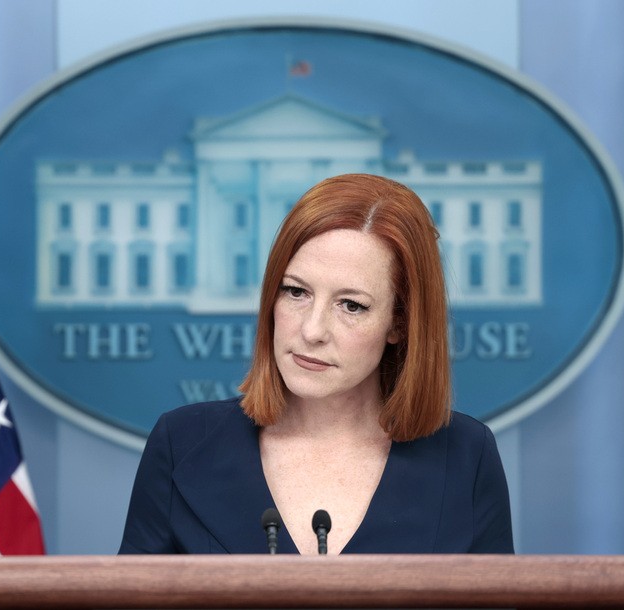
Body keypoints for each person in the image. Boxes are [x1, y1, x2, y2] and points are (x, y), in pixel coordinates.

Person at [119, 174, 514, 555]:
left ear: (399, 322)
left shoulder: (467, 457)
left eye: (351, 305)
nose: (312, 330)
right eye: (296, 292)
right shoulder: (181, 443)